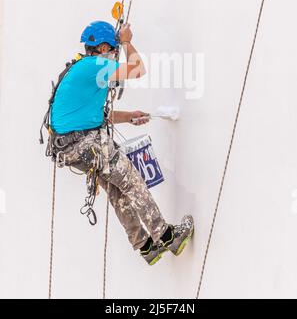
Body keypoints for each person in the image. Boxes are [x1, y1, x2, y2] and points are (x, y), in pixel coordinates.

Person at [48, 20, 194, 265]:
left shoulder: (82, 70)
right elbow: (137, 69)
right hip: (87, 143)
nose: (115, 54)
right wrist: (126, 40)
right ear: (104, 47)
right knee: (132, 182)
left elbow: (92, 117)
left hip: (71, 147)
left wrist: (129, 117)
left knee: (117, 191)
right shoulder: (93, 66)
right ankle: (168, 237)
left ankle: (146, 246)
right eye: (113, 49)